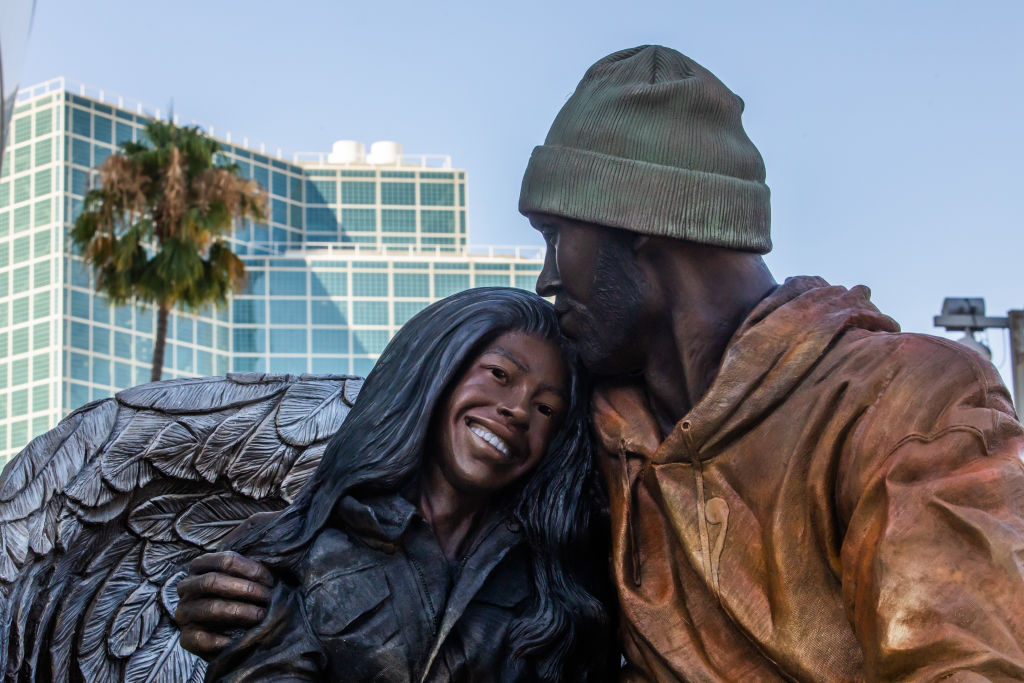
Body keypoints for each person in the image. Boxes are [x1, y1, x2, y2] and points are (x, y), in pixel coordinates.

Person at [179, 46, 1024, 680]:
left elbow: (968, 662)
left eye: (558, 238)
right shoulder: (590, 430)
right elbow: (413, 514)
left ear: (639, 232)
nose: (548, 276)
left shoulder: (908, 401)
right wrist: (252, 588)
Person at [177, 288, 611, 681]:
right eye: (499, 374)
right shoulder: (292, 549)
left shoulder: (563, 589)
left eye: (547, 408)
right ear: (436, 372)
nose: (518, 410)